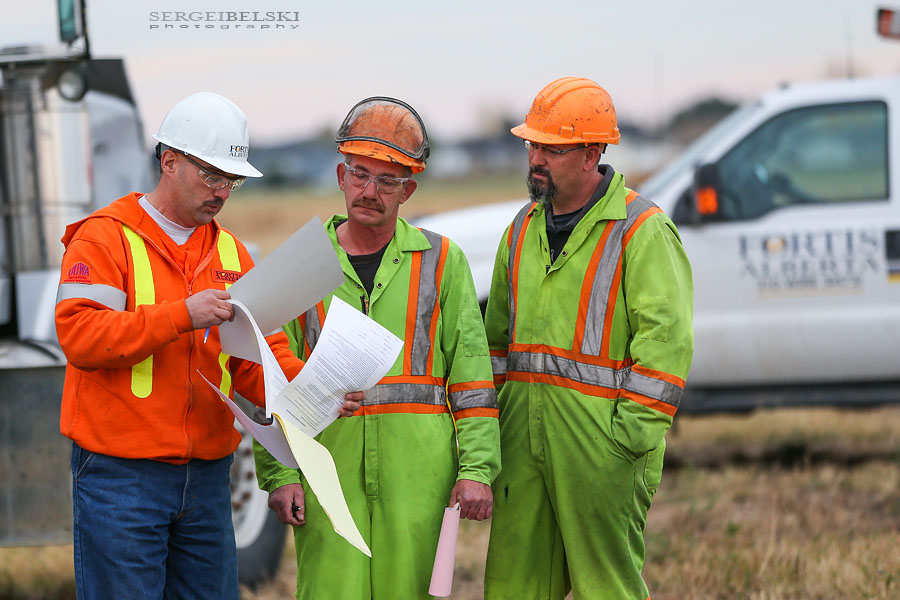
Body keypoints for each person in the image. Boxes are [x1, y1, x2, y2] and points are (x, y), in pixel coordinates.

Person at [55, 92, 362, 600]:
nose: (223, 191)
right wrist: (182, 316)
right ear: (168, 161)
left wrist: (310, 391)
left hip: (206, 481)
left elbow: (257, 357)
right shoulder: (103, 241)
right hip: (121, 479)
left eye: (232, 180)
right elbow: (82, 337)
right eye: (211, 175)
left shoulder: (230, 251)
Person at [254, 96, 501, 599]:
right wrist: (280, 474)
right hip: (329, 471)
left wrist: (477, 469)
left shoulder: (442, 261)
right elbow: (267, 378)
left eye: (388, 180)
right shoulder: (302, 261)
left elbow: (472, 377)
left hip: (419, 479)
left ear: (409, 189)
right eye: (360, 174)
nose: (370, 191)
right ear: (341, 176)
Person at [482, 77, 694, 599]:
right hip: (520, 449)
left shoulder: (641, 230)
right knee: (514, 589)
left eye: (552, 148)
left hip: (603, 451)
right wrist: (491, 433)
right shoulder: (521, 228)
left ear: (592, 152)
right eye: (532, 144)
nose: (535, 158)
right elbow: (497, 345)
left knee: (607, 590)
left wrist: (626, 442)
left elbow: (667, 345)